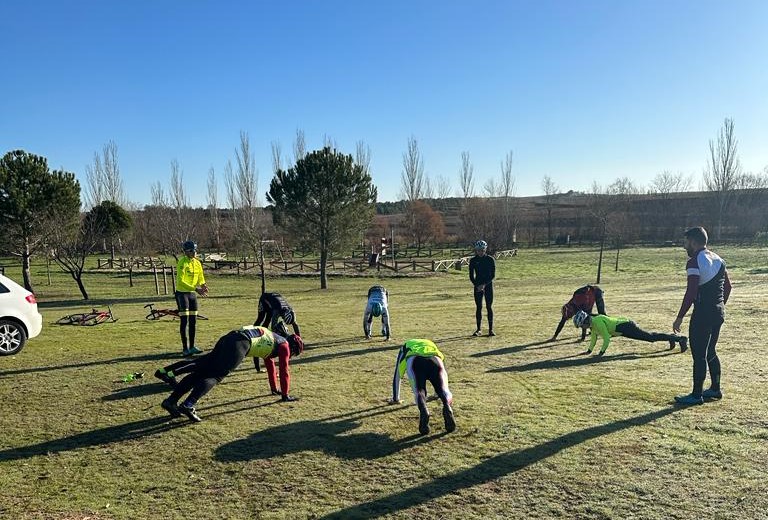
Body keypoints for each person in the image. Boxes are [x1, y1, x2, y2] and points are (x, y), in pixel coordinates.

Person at [159, 326, 304, 422]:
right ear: (292, 347)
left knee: (201, 371)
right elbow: (284, 370)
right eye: (293, 353)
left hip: (230, 338)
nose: (290, 356)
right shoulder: (284, 345)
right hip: (240, 344)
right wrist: (285, 395)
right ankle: (188, 404)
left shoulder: (273, 339)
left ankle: (171, 401)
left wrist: (274, 388)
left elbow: (270, 365)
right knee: (216, 375)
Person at [672, 227, 732, 405]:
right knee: (710, 351)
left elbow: (691, 292)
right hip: (718, 312)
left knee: (699, 354)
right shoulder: (718, 259)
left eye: (686, 242)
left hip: (703, 314)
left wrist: (680, 316)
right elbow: (728, 287)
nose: (684, 247)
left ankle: (696, 395)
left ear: (693, 241)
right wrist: (719, 305)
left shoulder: (694, 262)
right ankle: (715, 388)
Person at [390, 339, 456, 435]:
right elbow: (442, 369)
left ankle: (424, 409)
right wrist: (437, 393)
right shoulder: (431, 344)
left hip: (415, 361)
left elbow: (397, 375)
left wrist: (396, 398)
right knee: (444, 390)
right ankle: (447, 405)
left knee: (419, 391)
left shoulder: (404, 347)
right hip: (435, 360)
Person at [573, 310, 687, 356]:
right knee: (650, 337)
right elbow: (593, 338)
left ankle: (679, 339)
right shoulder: (593, 326)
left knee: (650, 338)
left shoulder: (597, 322)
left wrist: (601, 353)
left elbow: (606, 338)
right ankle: (671, 338)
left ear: (585, 321)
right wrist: (589, 351)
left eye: (581, 325)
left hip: (626, 326)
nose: (582, 327)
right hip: (622, 330)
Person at [175, 240, 208, 357]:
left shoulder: (197, 263)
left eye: (195, 250)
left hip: (192, 294)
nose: (194, 253)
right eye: (191, 251)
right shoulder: (182, 263)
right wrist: (196, 289)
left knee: (193, 321)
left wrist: (203, 284)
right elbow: (181, 281)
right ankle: (185, 348)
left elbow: (200, 276)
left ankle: (192, 346)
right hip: (182, 293)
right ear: (186, 252)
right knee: (185, 321)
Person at [253, 292, 301, 371]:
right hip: (265, 299)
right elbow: (273, 330)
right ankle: (253, 336)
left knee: (268, 319)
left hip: (273, 301)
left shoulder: (290, 310)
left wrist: (299, 339)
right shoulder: (277, 311)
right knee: (260, 321)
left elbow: (295, 325)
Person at [469, 239, 496, 337]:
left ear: (485, 249)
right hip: (477, 286)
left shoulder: (490, 259)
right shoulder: (473, 261)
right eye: (478, 250)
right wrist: (477, 285)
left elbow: (492, 275)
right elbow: (471, 276)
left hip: (488, 285)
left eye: (482, 250)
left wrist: (484, 284)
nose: (480, 252)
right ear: (476, 250)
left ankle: (490, 329)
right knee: (479, 307)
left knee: (489, 306)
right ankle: (478, 329)